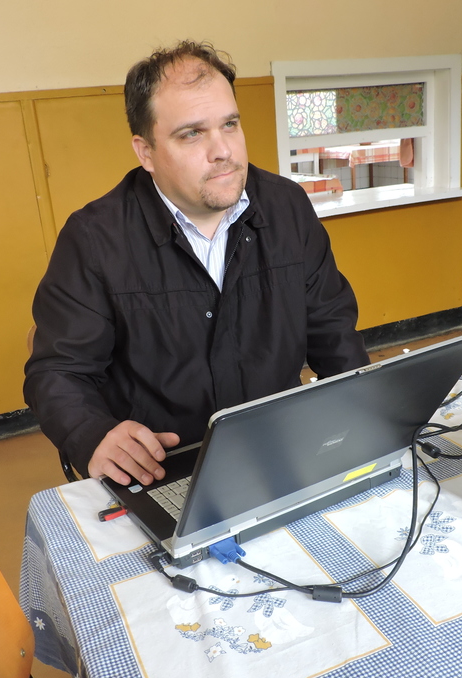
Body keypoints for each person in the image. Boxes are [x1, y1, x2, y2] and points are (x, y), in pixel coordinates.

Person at [24, 41, 369, 488]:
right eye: (192, 133)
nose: (222, 150)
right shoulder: (94, 239)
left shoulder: (288, 207)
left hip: (281, 448)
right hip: (166, 467)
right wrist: (90, 435)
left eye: (230, 124)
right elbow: (57, 372)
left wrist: (363, 419)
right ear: (145, 151)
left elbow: (333, 331)